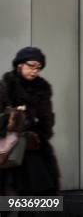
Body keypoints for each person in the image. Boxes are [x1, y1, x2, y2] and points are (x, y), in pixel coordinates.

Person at [0, 47, 60, 217]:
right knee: (7, 199)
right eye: (31, 66)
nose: (35, 71)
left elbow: (47, 120)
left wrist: (37, 126)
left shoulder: (43, 88)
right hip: (9, 151)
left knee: (36, 196)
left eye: (38, 67)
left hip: (33, 149)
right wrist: (14, 117)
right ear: (19, 65)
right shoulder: (6, 85)